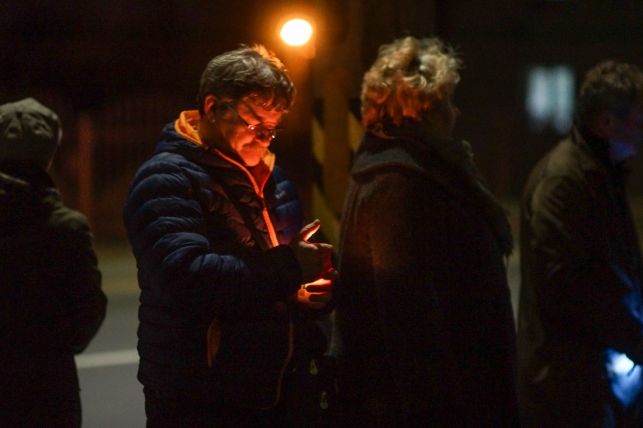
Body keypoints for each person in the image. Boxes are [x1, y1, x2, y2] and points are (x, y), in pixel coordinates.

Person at [123, 44, 336, 427]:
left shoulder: (276, 179)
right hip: (202, 394)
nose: (266, 139)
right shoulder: (168, 179)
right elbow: (186, 275)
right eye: (255, 125)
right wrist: (290, 266)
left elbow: (281, 281)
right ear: (213, 107)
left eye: (274, 128)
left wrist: (313, 292)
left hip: (275, 387)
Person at [334, 36, 519, 426]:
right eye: (447, 101)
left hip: (448, 389)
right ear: (424, 108)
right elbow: (408, 309)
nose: (456, 111)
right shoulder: (399, 182)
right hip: (438, 402)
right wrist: (438, 410)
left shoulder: (406, 169)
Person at [517, 60, 643, 427]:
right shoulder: (565, 182)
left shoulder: (600, 175)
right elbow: (566, 286)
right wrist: (634, 338)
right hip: (569, 387)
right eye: (637, 119)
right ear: (607, 123)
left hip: (594, 379)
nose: (641, 130)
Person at [0, 97, 107, 427]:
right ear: (49, 156)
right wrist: (57, 347)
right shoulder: (66, 228)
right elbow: (88, 309)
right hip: (47, 388)